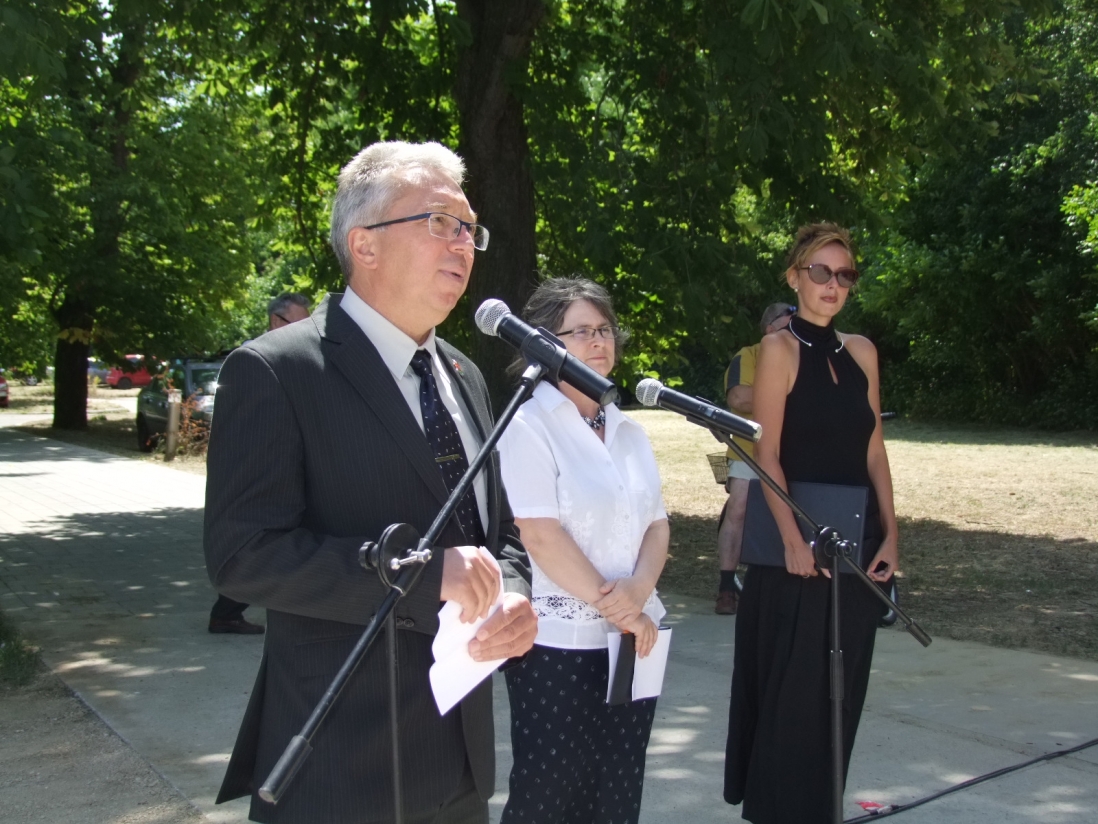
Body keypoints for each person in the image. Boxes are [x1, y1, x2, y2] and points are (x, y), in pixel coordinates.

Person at [204, 141, 538, 824]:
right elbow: (243, 556)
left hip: (460, 761)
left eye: (470, 229)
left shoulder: (466, 375)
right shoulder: (276, 371)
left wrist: (513, 594)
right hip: (339, 765)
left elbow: (498, 532)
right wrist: (423, 575)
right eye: (440, 222)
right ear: (365, 244)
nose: (464, 244)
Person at [723, 223, 898, 823]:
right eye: (820, 271)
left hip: (856, 542)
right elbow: (767, 454)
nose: (833, 284)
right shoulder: (778, 350)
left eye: (844, 274)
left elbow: (874, 450)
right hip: (794, 548)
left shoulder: (863, 352)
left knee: (840, 694)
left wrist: (893, 533)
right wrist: (793, 540)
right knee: (792, 698)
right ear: (795, 276)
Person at [496, 277, 669, 824]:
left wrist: (637, 595)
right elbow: (540, 535)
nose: (598, 341)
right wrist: (619, 607)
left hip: (635, 642)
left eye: (605, 329)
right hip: (558, 646)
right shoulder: (528, 424)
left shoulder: (629, 431)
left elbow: (657, 525)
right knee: (549, 798)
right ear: (546, 345)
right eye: (581, 331)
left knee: (617, 791)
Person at [208, 293, 313, 635]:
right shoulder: (253, 361)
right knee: (255, 545)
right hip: (258, 470)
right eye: (299, 322)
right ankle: (226, 614)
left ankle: (229, 612)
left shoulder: (296, 358)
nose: (306, 330)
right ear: (276, 321)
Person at [715, 302, 794, 615]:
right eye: (789, 321)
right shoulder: (748, 355)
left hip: (795, 451)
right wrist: (787, 393)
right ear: (769, 329)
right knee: (739, 508)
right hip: (748, 450)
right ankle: (726, 588)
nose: (795, 327)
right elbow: (738, 397)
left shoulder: (805, 353)